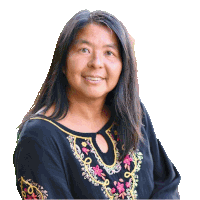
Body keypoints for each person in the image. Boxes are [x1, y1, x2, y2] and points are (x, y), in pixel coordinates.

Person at [14, 10, 180, 199]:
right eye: (84, 50)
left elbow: (166, 183)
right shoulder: (40, 136)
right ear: (62, 61)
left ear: (123, 65)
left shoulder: (132, 111)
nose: (96, 63)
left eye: (109, 52)